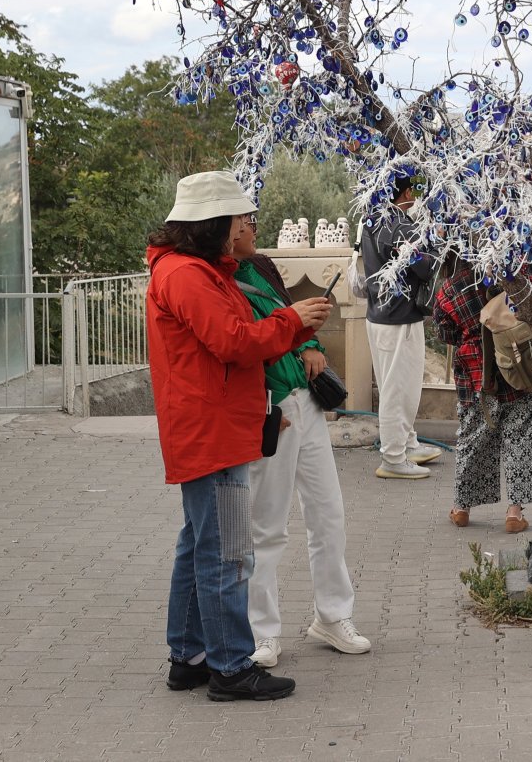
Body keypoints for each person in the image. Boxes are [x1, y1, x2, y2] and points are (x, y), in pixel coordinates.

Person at [146, 171, 330, 702]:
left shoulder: (193, 269)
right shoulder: (188, 275)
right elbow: (234, 343)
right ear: (210, 224)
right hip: (213, 430)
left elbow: (239, 341)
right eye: (235, 219)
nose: (242, 228)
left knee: (199, 542)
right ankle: (230, 666)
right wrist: (293, 320)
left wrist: (295, 326)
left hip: (209, 426)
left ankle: (191, 656)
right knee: (227, 549)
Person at [229, 216, 370, 669]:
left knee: (328, 513)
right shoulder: (217, 278)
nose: (254, 226)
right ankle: (260, 632)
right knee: (266, 527)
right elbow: (238, 346)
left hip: (302, 403)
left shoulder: (263, 265)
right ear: (226, 228)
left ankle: (333, 615)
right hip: (270, 411)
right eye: (246, 221)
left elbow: (287, 325)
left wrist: (311, 346)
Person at [433, 258, 532, 533]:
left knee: (473, 438)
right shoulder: (520, 272)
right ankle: (514, 513)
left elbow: (444, 331)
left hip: (476, 375)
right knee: (521, 436)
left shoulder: (452, 287)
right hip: (518, 367)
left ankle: (462, 508)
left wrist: (473, 334)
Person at [361, 174, 440, 479]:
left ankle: (407, 443)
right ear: (406, 192)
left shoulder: (372, 219)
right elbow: (425, 265)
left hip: (379, 314)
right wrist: (434, 240)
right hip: (400, 318)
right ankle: (393, 458)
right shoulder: (399, 224)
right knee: (400, 391)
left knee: (390, 385)